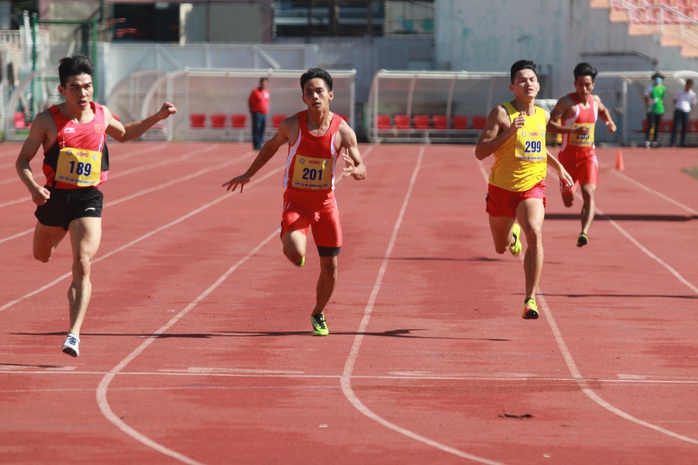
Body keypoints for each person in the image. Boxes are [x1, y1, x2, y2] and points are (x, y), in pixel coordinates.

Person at [15, 54, 177, 357]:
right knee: (42, 256)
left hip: (88, 198)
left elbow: (125, 133)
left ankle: (73, 334)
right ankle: (57, 253)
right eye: (75, 88)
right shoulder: (47, 120)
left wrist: (157, 117)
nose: (83, 93)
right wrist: (33, 187)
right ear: (63, 90)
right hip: (54, 197)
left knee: (83, 263)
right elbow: (23, 160)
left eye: (88, 86)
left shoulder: (102, 115)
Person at [223, 68, 366, 336]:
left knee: (330, 266)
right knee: (296, 253)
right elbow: (270, 146)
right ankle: (292, 242)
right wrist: (248, 174)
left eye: (319, 91)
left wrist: (357, 171)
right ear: (302, 98)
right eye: (308, 92)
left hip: (326, 207)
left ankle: (318, 313)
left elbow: (361, 165)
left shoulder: (343, 131)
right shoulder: (291, 125)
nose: (314, 96)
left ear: (330, 95)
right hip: (297, 204)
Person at [474, 59, 573, 320]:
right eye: (522, 80)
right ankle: (512, 237)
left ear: (538, 85)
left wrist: (559, 168)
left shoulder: (542, 115)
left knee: (536, 234)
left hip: (532, 186)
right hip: (501, 189)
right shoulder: (501, 113)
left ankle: (530, 299)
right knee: (500, 246)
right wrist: (508, 134)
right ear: (512, 87)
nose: (528, 83)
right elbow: (480, 152)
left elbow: (538, 148)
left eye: (532, 79)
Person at [547, 62, 617, 248]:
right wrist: (571, 131)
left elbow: (602, 111)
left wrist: (609, 123)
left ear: (593, 85)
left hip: (588, 156)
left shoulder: (596, 101)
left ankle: (584, 232)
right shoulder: (566, 103)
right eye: (580, 84)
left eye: (587, 85)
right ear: (574, 84)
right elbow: (549, 125)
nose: (583, 89)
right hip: (567, 159)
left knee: (588, 192)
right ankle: (567, 192)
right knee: (568, 201)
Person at [670, 78, 697, 148]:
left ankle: (682, 143)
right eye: (688, 85)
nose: (689, 87)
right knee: (675, 126)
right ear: (686, 85)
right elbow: (674, 99)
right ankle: (673, 143)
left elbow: (692, 103)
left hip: (686, 111)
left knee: (684, 127)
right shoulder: (679, 91)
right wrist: (677, 105)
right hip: (678, 110)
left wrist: (687, 108)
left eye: (690, 86)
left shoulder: (692, 94)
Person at [644, 71, 666, 148]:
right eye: (656, 78)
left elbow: (662, 98)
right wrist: (648, 105)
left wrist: (661, 106)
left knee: (657, 126)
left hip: (659, 109)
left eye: (659, 78)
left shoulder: (663, 88)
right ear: (654, 79)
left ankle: (654, 142)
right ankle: (647, 141)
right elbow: (646, 97)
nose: (658, 79)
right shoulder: (650, 87)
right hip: (651, 109)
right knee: (650, 125)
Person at [248, 77, 270, 150]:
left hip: (264, 114)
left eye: (265, 83)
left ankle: (260, 143)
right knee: (256, 129)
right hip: (257, 113)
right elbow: (250, 102)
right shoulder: (255, 92)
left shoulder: (267, 92)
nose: (264, 84)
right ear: (260, 83)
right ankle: (256, 145)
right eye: (263, 82)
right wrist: (252, 111)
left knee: (262, 129)